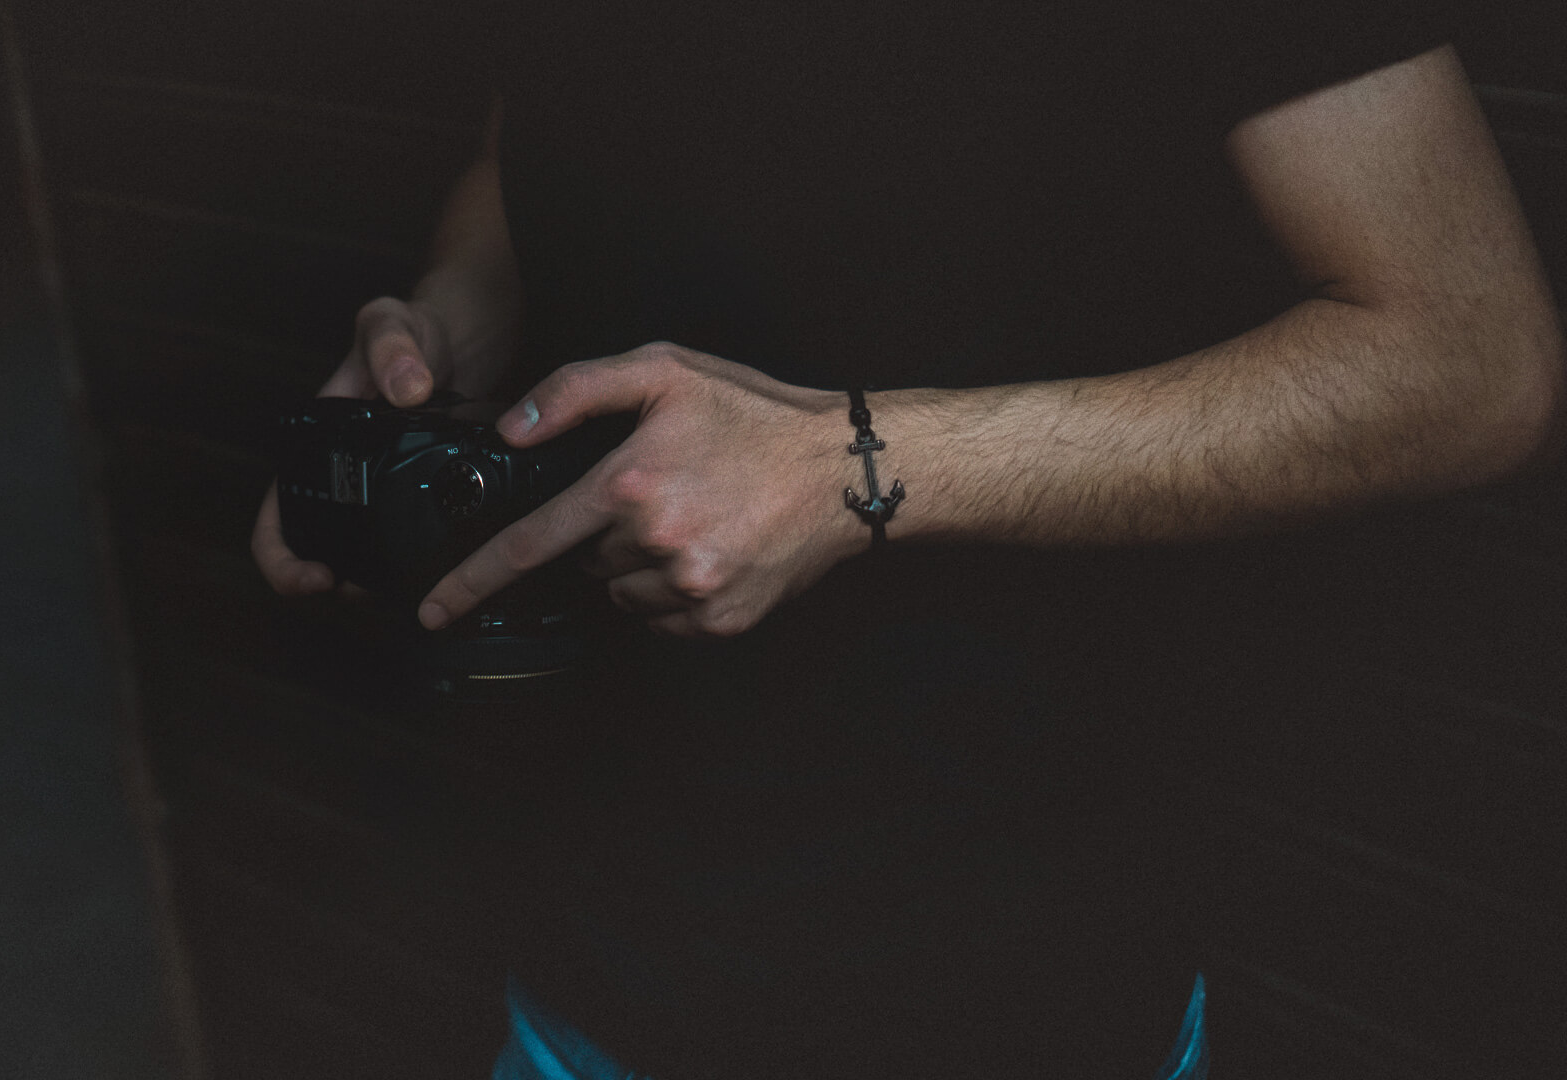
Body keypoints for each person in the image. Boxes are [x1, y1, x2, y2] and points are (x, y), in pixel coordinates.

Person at [254, 3, 1562, 1076]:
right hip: (590, 973)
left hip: (1008, 991)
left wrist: (858, 465)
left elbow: (1473, 353)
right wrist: (455, 315)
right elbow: (527, 141)